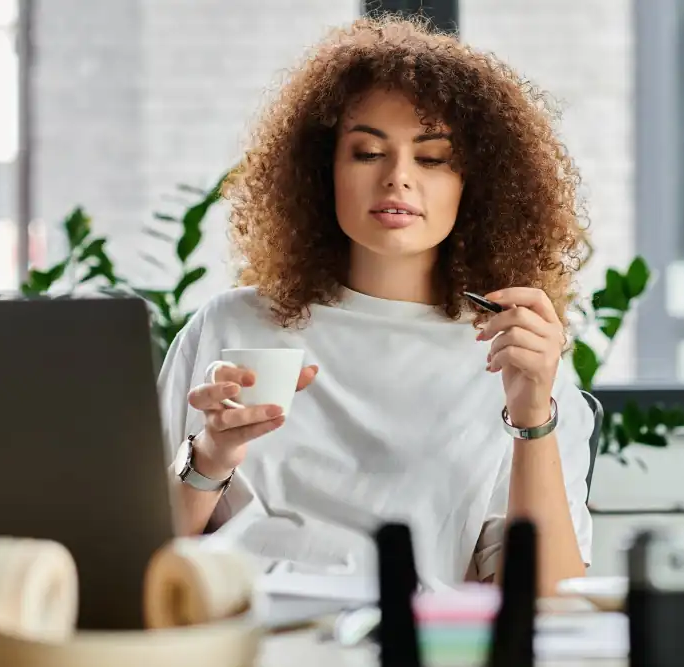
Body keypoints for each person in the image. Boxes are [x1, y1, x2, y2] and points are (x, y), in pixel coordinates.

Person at [159, 15, 593, 595]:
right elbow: (140, 565)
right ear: (322, 172)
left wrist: (533, 414)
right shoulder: (230, 325)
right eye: (367, 152)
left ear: (477, 184)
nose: (398, 179)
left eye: (432, 158)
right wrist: (213, 454)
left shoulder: (515, 355)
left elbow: (549, 604)